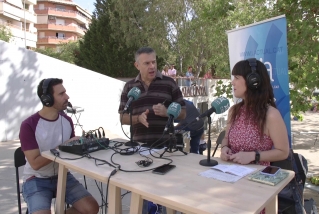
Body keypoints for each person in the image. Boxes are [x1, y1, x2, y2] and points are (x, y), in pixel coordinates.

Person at [118, 47, 186, 214]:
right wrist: (137, 118)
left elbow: (183, 113)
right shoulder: (129, 87)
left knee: (165, 198)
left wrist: (167, 112)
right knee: (142, 196)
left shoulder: (169, 83)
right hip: (139, 150)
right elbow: (122, 118)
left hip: (165, 150)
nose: (152, 66)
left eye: (154, 62)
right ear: (137, 65)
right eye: (147, 63)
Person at [19, 78, 99, 214]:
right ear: (47, 99)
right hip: (36, 179)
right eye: (61, 94)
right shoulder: (28, 125)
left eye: (65, 92)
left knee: (92, 208)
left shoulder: (67, 121)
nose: (67, 97)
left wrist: (84, 145)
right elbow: (35, 164)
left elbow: (71, 153)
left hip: (63, 176)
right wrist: (61, 148)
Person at [220, 59, 289, 167]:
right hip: (231, 172)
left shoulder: (271, 115)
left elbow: (283, 152)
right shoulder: (234, 111)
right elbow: (226, 139)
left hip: (257, 179)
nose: (232, 82)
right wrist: (224, 148)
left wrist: (254, 156)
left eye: (237, 78)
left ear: (253, 81)